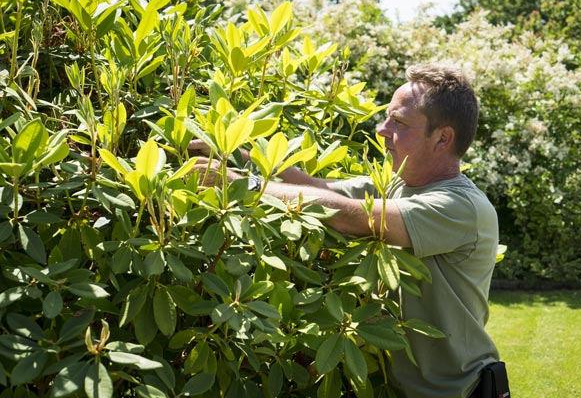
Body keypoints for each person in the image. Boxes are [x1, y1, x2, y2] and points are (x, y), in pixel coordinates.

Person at [192, 63, 500, 398]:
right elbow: (317, 187)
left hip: (451, 392)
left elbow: (350, 216)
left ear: (442, 138)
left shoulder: (462, 207)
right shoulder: (397, 185)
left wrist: (243, 186)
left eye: (398, 122)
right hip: (390, 386)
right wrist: (229, 154)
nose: (382, 130)